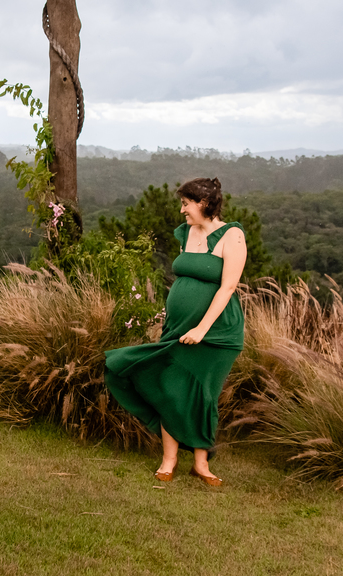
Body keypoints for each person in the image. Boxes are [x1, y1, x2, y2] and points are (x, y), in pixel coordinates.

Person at [104, 177, 247, 486]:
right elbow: (184, 279)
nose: (182, 210)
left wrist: (201, 328)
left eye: (186, 204)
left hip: (217, 332)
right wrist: (178, 319)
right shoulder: (187, 233)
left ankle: (200, 464)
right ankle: (169, 460)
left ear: (205, 204)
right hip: (179, 327)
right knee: (170, 387)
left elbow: (228, 287)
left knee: (204, 394)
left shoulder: (232, 236)